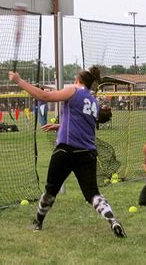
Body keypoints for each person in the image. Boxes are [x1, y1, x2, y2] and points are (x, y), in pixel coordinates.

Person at [8, 66, 126, 238]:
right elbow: (83, 122)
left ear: (78, 81)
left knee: (50, 190)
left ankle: (39, 222)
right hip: (88, 152)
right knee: (92, 193)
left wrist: (19, 81)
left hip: (67, 148)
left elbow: (44, 96)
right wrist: (59, 125)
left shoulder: (73, 91)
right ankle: (112, 220)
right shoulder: (93, 100)